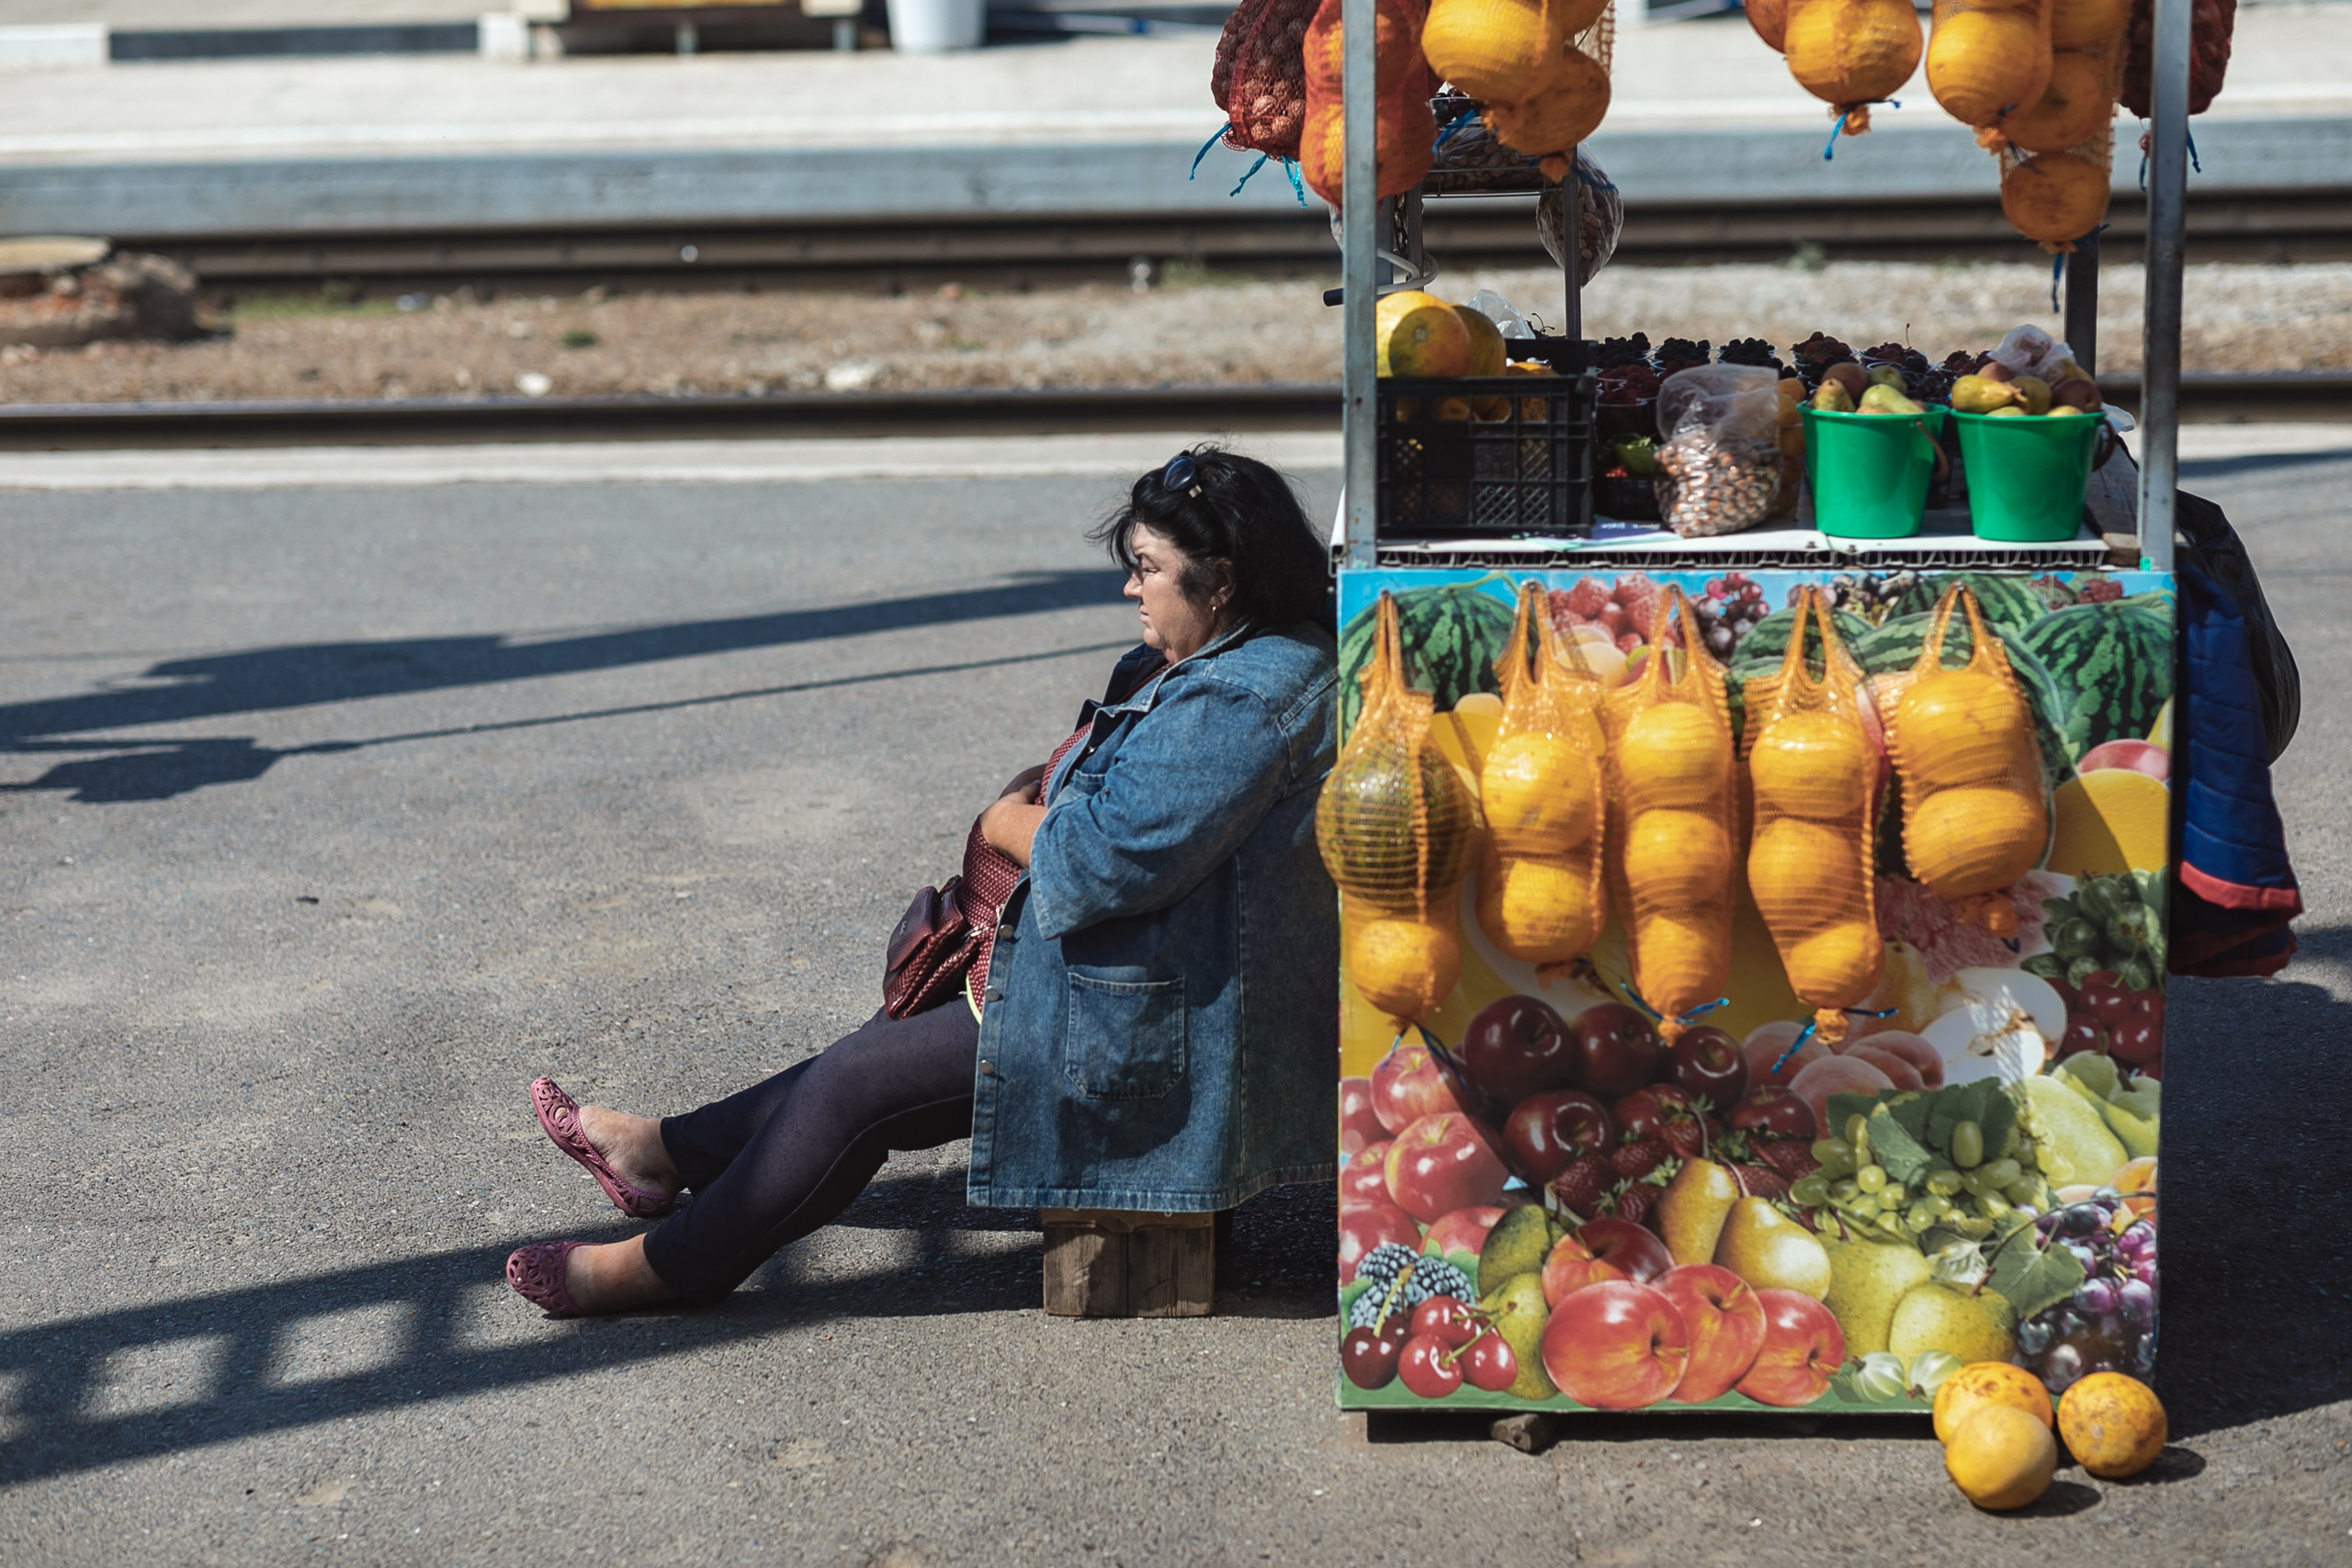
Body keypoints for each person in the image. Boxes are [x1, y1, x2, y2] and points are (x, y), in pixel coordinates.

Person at [506, 448, 1340, 1315]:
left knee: (855, 1089)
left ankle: (665, 1267)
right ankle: (664, 1152)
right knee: (878, 1051)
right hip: (1131, 972)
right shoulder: (1235, 657)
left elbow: (1099, 857)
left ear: (1223, 579)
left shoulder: (1238, 702)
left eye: (1148, 567)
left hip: (1151, 1024)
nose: (1131, 588)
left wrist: (1001, 821)